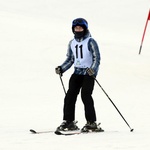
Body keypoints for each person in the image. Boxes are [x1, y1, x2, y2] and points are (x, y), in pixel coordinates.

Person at [55, 18, 103, 132]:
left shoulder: (91, 41)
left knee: (85, 96)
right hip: (77, 72)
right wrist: (62, 68)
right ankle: (68, 121)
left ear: (85, 29)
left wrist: (93, 70)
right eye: (76, 28)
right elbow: (70, 59)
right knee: (69, 96)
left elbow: (97, 58)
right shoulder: (72, 43)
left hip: (88, 74)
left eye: (80, 28)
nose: (78, 30)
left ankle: (92, 122)